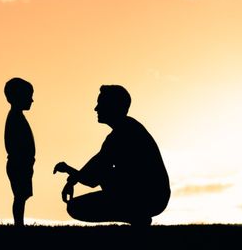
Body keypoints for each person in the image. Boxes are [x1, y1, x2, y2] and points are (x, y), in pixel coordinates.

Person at [53, 85, 170, 226]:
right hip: (152, 195)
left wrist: (70, 172)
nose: (96, 109)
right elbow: (95, 165)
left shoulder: (123, 134)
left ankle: (137, 216)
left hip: (149, 196)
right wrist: (72, 178)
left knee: (76, 207)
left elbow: (93, 177)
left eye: (100, 104)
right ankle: (136, 216)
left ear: (113, 106)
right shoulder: (127, 129)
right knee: (79, 203)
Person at [3, 77, 35, 227]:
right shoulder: (15, 118)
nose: (32, 100)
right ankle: (18, 224)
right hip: (18, 163)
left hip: (23, 163)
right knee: (20, 196)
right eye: (29, 96)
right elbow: (16, 144)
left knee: (21, 196)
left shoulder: (17, 117)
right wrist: (24, 160)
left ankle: (19, 223)